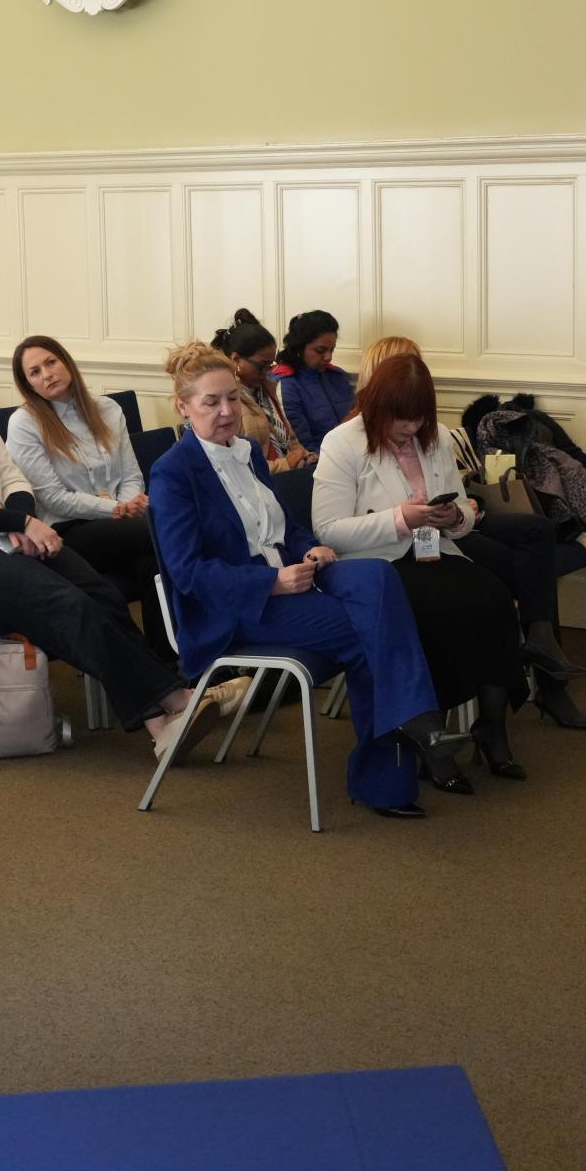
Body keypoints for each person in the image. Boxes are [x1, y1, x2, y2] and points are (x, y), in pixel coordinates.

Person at [0, 328, 225, 755]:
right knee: (67, 603)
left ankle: (161, 721)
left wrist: (19, 522)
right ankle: (172, 702)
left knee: (100, 593)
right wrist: (21, 522)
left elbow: (13, 479)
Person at [151, 342, 460, 818]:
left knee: (377, 576)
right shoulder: (172, 473)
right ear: (183, 406)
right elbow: (187, 572)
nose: (227, 411)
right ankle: (404, 748)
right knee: (370, 630)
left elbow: (284, 525)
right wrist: (272, 582)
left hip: (295, 576)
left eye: (232, 398)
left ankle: (412, 728)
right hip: (238, 607)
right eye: (211, 402)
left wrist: (308, 547)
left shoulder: (249, 454)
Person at [310, 354, 528, 784]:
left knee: (496, 599)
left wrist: (456, 516)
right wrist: (400, 519)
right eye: (401, 418)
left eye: (418, 417)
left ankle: (492, 727)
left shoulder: (436, 436)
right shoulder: (343, 443)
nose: (411, 427)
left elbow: (463, 506)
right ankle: (433, 739)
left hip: (435, 551)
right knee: (438, 610)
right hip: (377, 564)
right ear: (377, 407)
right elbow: (329, 530)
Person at [359, 334, 586, 726]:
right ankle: (543, 680)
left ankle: (541, 648)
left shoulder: (425, 427)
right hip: (419, 538)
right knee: (520, 571)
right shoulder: (358, 434)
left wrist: (462, 505)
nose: (415, 381)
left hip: (453, 520)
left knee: (536, 532)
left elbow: (450, 477)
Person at [3, 334, 174, 659]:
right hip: (65, 532)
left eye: (51, 362)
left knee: (152, 561)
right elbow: (53, 498)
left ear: (66, 362)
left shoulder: (107, 409)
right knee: (163, 530)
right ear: (28, 384)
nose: (47, 374)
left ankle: (164, 660)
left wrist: (129, 505)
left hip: (120, 525)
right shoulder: (25, 423)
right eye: (35, 372)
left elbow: (131, 475)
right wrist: (119, 508)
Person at [210, 310, 311, 472]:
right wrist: (286, 464)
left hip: (285, 475)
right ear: (236, 359)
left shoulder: (264, 390)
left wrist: (305, 456)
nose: (266, 373)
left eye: (269, 366)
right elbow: (238, 466)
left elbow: (290, 440)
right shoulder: (226, 401)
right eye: (261, 366)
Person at [273, 309, 354, 456]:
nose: (328, 357)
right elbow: (301, 446)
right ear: (299, 348)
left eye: (332, 350)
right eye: (320, 350)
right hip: (318, 461)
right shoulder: (286, 385)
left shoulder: (337, 376)